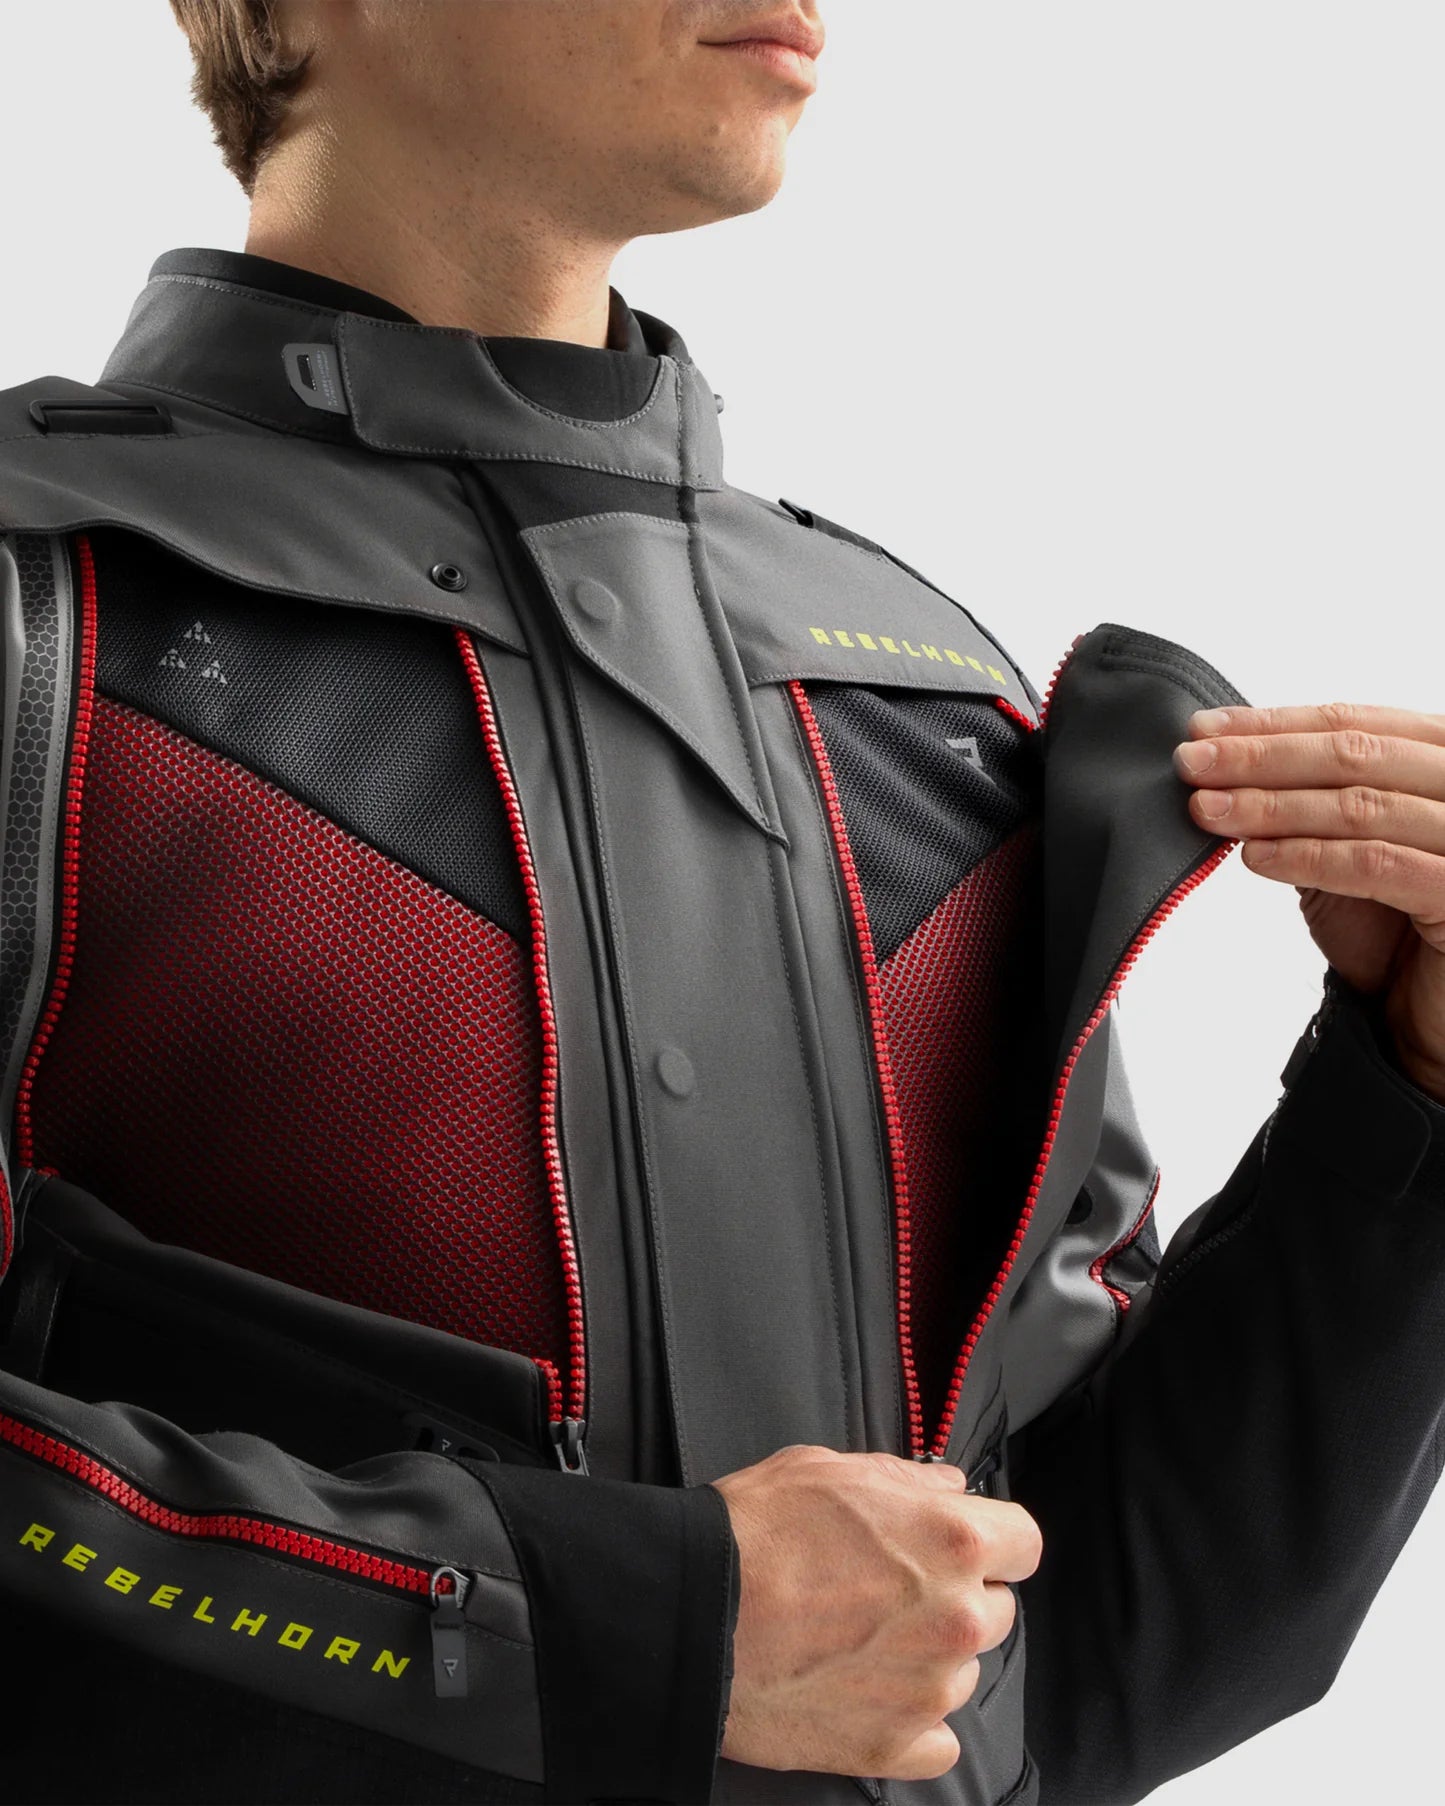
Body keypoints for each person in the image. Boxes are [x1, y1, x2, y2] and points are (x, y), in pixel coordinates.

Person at [1, 4, 1443, 1803]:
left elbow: (1070, 1661)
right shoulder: (41, 621)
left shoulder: (921, 708)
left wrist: (1402, 1108)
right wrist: (618, 1621)